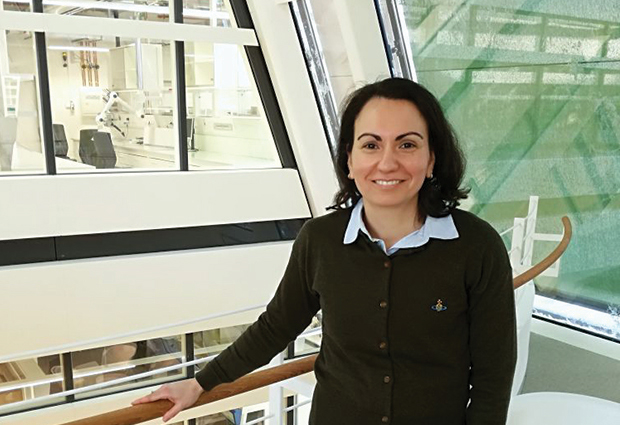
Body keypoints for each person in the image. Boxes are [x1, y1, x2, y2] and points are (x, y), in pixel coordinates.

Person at [133, 77, 517, 424]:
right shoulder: (320, 240)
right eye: (371, 145)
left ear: (431, 159)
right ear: (349, 160)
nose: (387, 161)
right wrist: (200, 384)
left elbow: (492, 380)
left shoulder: (476, 247)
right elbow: (275, 327)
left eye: (407, 144)